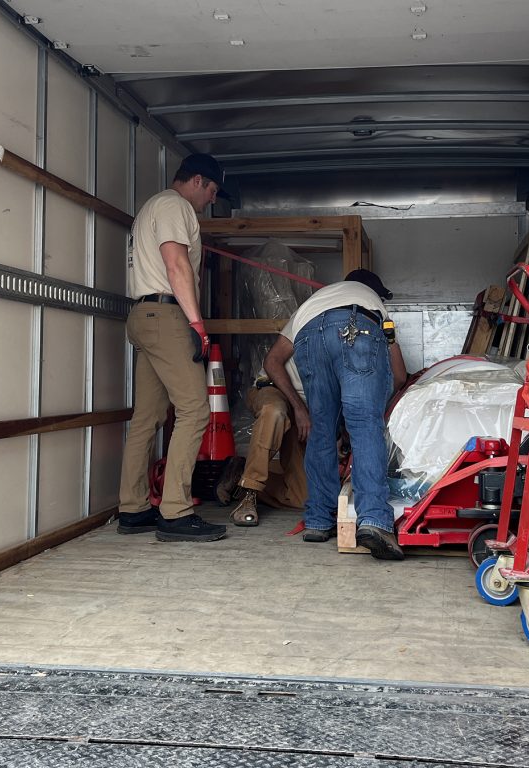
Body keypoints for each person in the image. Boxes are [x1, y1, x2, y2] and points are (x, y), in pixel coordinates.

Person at [115, 154, 227, 542]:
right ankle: (176, 512)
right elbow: (176, 264)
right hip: (166, 317)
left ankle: (132, 509)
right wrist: (197, 324)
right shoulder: (175, 206)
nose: (211, 199)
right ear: (197, 180)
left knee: (146, 417)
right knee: (196, 409)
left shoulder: (150, 208)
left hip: (143, 316)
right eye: (212, 190)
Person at [264, 269, 408, 560]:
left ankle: (318, 520)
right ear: (374, 292)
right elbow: (400, 374)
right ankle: (374, 521)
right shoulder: (372, 304)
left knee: (321, 430)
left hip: (308, 338)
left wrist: (299, 407)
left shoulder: (315, 302)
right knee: (365, 425)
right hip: (357, 328)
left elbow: (272, 360)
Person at [226, 367, 308, 526]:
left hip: (305, 408)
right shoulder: (299, 340)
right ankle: (250, 490)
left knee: (301, 497)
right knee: (274, 412)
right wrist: (298, 408)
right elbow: (272, 361)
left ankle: (239, 473)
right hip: (273, 388)